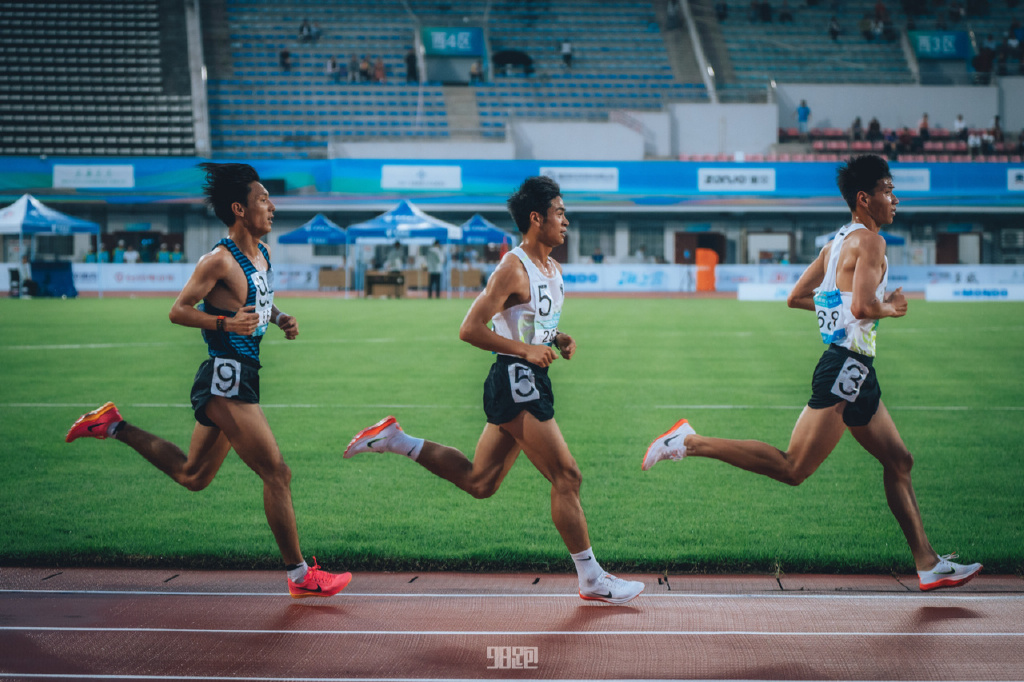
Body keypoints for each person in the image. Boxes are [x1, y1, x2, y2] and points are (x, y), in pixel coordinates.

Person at [643, 155, 983, 593]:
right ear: (865, 198)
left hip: (856, 367)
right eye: (887, 190)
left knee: (899, 461)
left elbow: (797, 297)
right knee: (793, 468)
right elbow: (863, 307)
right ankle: (688, 441)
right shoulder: (872, 243)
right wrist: (890, 309)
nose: (894, 199)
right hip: (845, 365)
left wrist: (842, 313)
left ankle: (927, 563)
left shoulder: (836, 242)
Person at [343, 176, 644, 605]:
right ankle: (592, 578)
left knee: (479, 481)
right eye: (559, 212)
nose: (567, 221)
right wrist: (526, 349)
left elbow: (529, 318)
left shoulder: (551, 268)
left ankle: (396, 439)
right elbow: (469, 329)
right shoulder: (512, 266)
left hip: (526, 378)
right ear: (536, 218)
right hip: (516, 380)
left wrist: (555, 338)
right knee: (567, 475)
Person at [65, 163, 351, 599]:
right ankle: (299, 577)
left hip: (243, 374)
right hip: (226, 375)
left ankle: (112, 425)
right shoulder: (217, 260)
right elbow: (179, 310)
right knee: (277, 472)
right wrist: (224, 324)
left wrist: (279, 318)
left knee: (192, 475)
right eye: (262, 201)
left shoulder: (262, 253)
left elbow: (257, 300)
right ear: (239, 209)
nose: (272, 207)